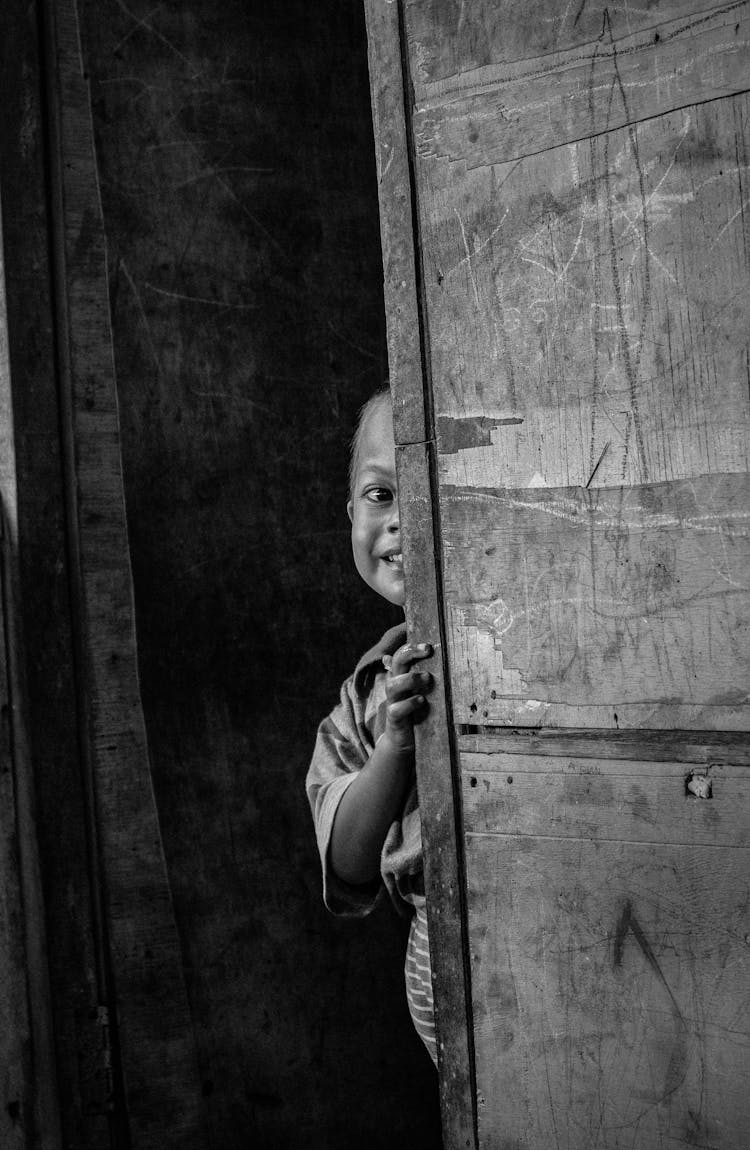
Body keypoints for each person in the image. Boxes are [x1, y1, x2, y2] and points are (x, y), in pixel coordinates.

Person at [305, 387, 438, 1065]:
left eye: (424, 485)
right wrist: (394, 746)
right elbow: (349, 865)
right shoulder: (365, 695)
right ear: (351, 512)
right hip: (439, 959)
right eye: (381, 494)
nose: (399, 518)